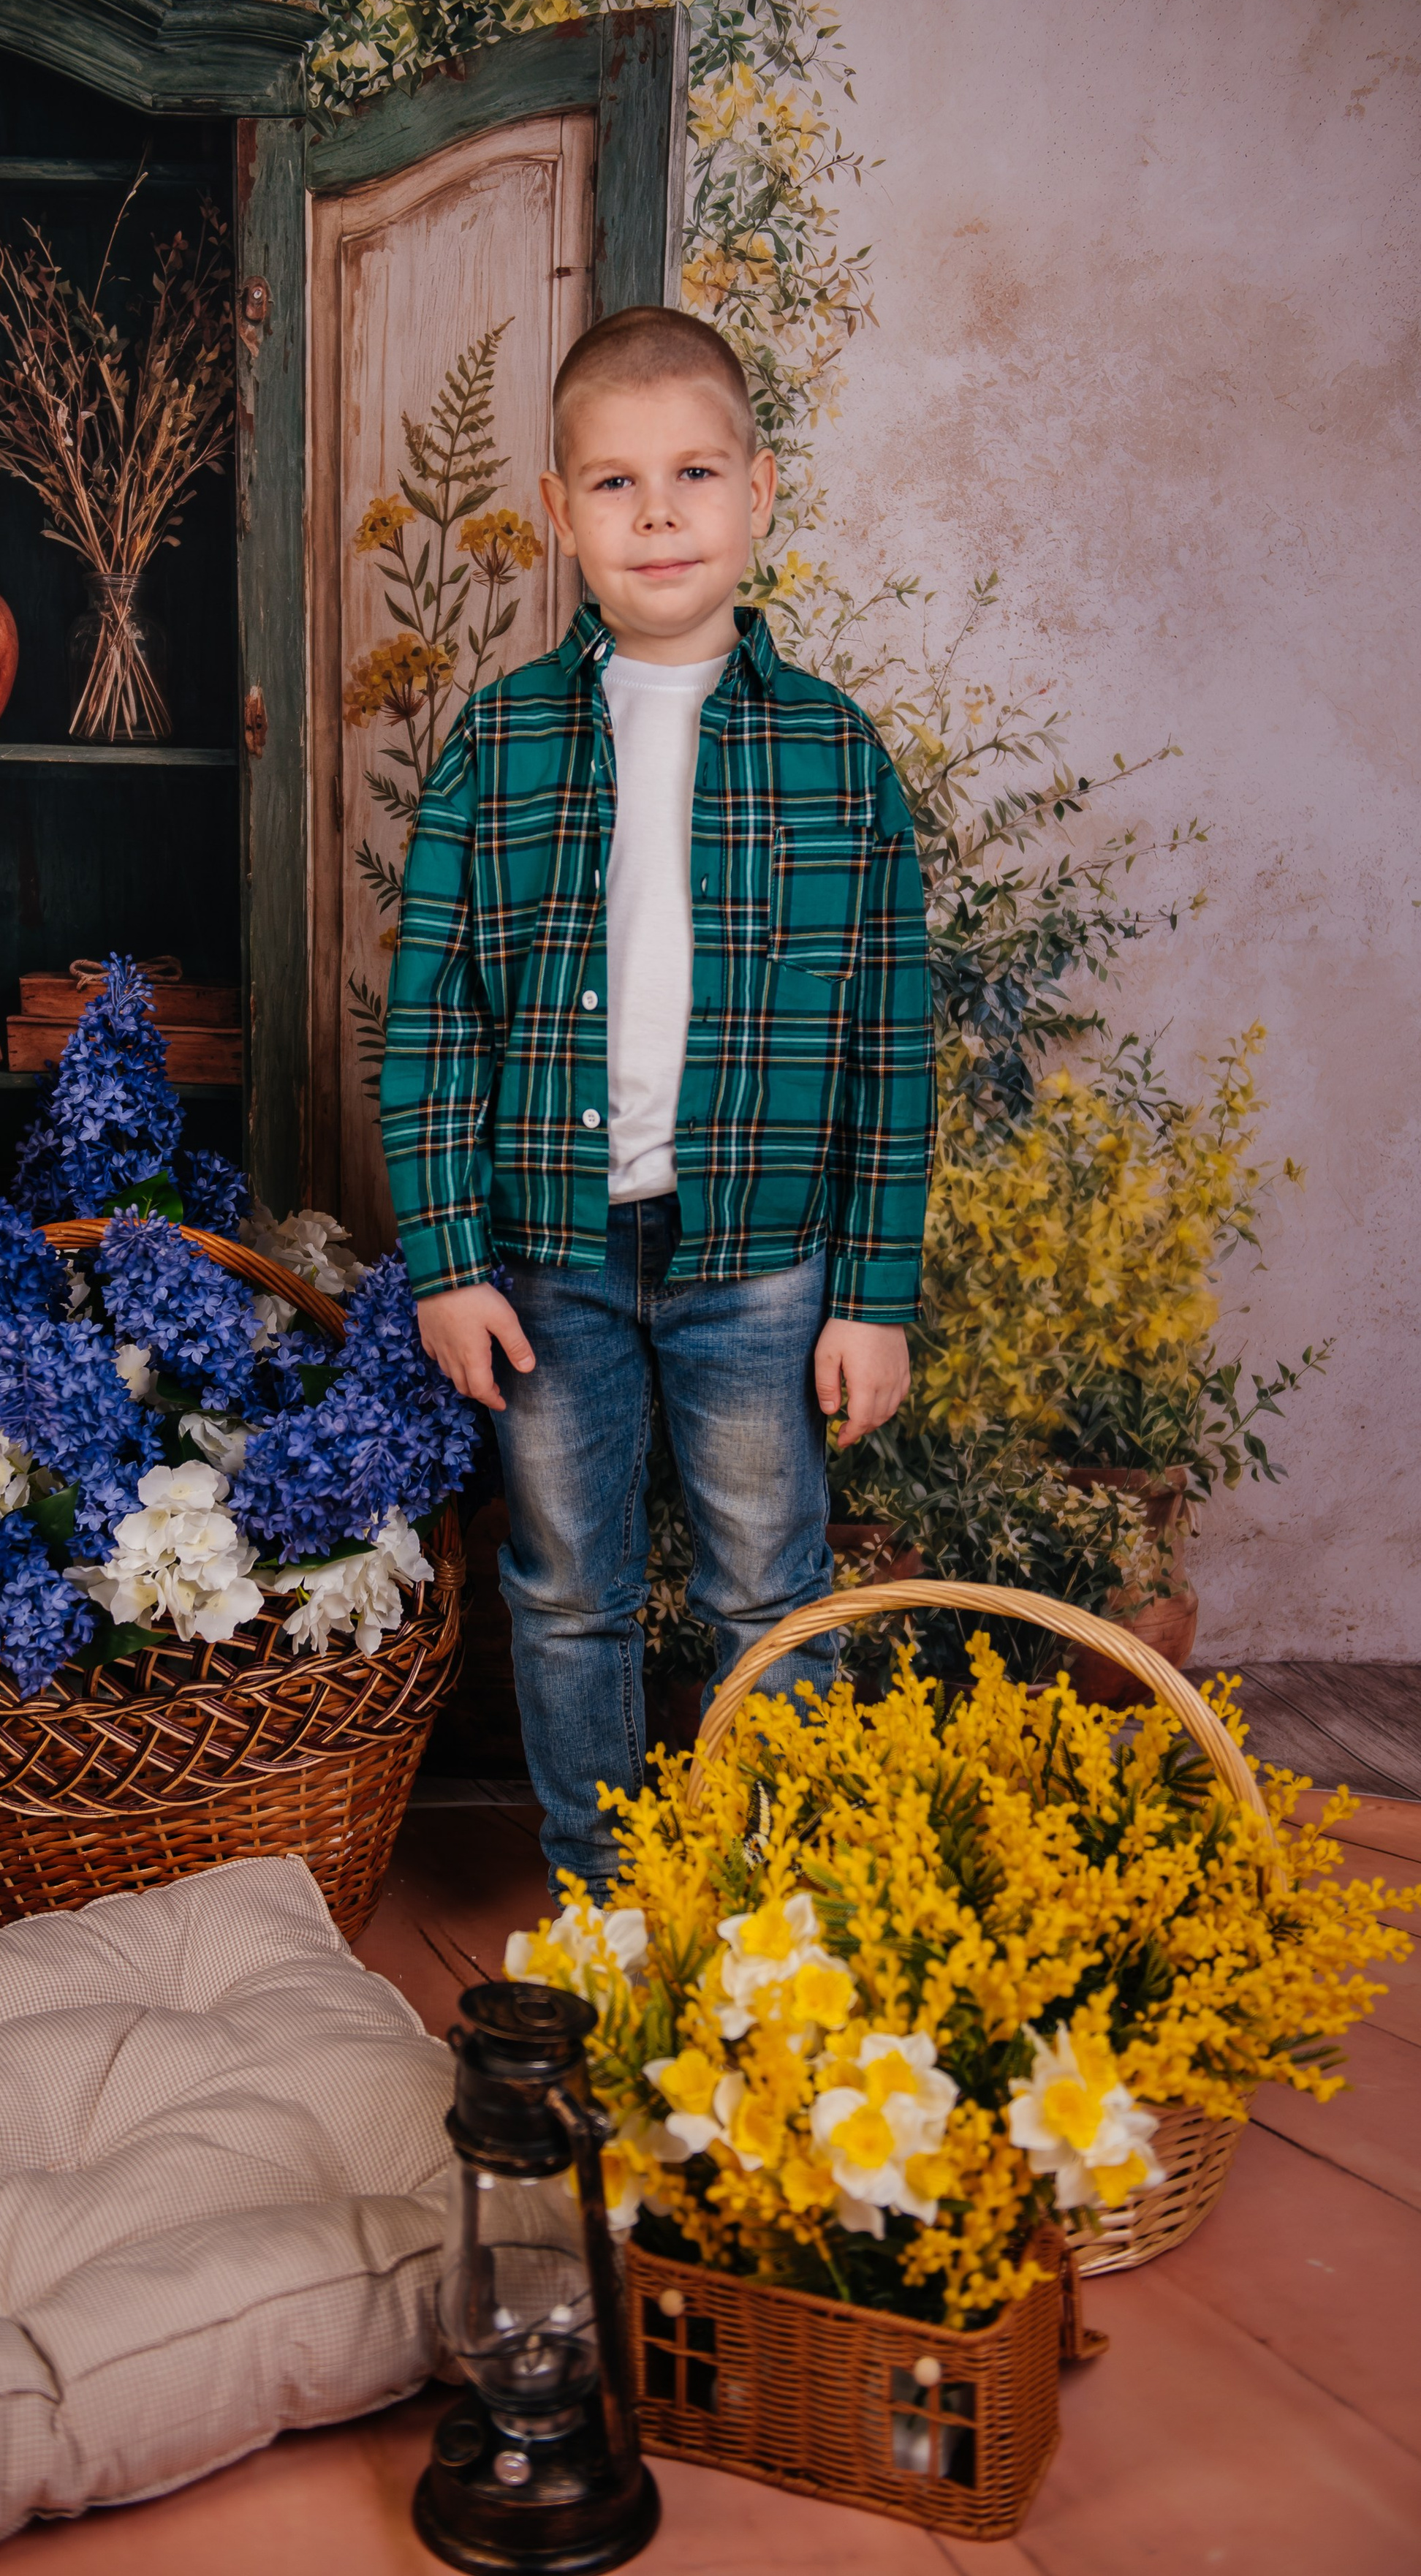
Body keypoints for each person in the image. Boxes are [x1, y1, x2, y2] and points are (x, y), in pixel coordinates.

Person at [379, 305, 935, 1897]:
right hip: (547, 1258)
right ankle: (606, 1900)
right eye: (613, 484)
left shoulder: (833, 755)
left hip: (763, 1269)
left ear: (758, 491)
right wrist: (443, 1261)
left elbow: (890, 1037)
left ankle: (768, 1910)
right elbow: (429, 1020)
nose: (658, 514)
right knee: (564, 1589)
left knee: (767, 1587)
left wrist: (871, 1292)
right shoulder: (499, 745)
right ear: (558, 514)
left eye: (691, 473)